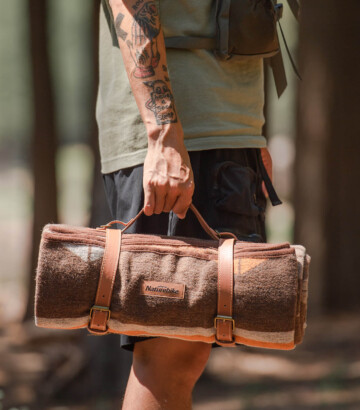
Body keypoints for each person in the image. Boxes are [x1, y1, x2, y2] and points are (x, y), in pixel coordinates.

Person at [97, 0, 279, 408]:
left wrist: (253, 132)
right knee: (170, 350)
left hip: (224, 129)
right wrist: (163, 137)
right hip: (179, 134)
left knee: (188, 348)